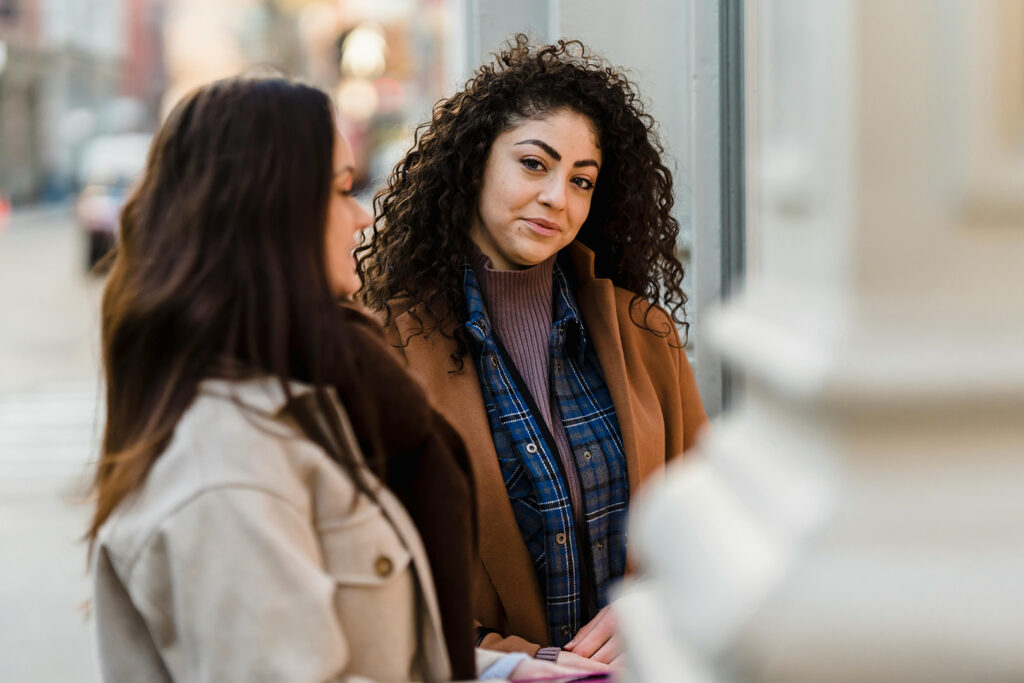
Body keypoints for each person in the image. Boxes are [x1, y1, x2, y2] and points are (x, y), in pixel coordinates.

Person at [86, 76, 583, 682]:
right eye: (341, 189)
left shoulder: (305, 399)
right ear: (272, 210)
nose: (360, 216)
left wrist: (498, 672)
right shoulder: (226, 473)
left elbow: (358, 642)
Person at [358, 35, 710, 668]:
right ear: (473, 165)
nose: (558, 198)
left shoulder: (645, 336)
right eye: (533, 164)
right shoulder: (384, 351)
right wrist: (511, 665)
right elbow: (374, 580)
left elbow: (708, 527)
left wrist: (655, 605)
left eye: (582, 180)